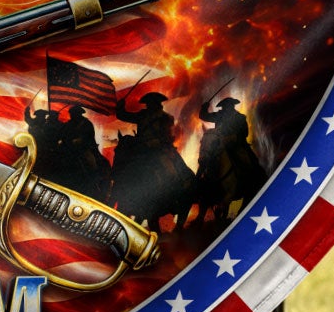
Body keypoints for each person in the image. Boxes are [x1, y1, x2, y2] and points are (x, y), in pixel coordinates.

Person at [109, 91, 197, 231]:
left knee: (172, 170)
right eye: (148, 104)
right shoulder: (142, 115)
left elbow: (168, 135)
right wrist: (120, 107)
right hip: (142, 150)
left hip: (160, 149)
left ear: (157, 104)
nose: (149, 106)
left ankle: (176, 195)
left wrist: (156, 142)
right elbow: (124, 116)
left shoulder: (166, 118)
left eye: (152, 104)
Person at [194, 94, 265, 225]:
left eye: (228, 106)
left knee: (248, 161)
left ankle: (252, 182)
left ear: (232, 106)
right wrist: (204, 108)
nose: (226, 108)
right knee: (206, 160)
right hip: (219, 145)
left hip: (235, 145)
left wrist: (232, 138)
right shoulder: (219, 116)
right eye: (224, 107)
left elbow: (244, 134)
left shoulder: (240, 118)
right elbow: (204, 116)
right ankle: (197, 182)